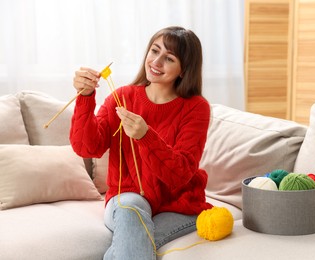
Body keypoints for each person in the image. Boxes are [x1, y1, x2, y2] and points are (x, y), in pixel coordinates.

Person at [70, 26, 213, 260]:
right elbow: (88, 148)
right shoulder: (123, 97)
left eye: (168, 58)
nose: (156, 61)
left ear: (183, 69)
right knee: (131, 211)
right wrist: (85, 98)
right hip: (127, 198)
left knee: (130, 244)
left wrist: (145, 136)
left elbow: (179, 175)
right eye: (154, 51)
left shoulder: (196, 107)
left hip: (177, 206)